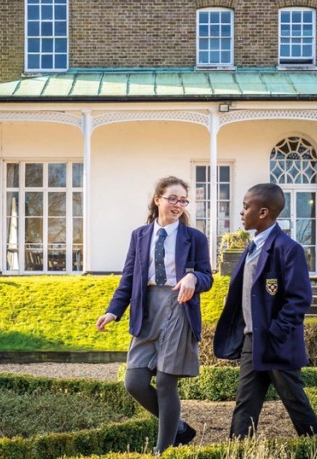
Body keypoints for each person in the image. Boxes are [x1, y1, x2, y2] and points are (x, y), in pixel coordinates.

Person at [95, 176, 213, 454]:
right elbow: (129, 278)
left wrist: (193, 278)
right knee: (134, 382)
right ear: (157, 199)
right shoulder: (140, 235)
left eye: (183, 200)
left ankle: (162, 451)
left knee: (164, 380)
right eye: (172, 198)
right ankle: (180, 429)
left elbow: (208, 277)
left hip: (178, 307)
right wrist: (113, 311)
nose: (178, 205)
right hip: (146, 309)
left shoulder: (195, 237)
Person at [213, 183, 317, 439]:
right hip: (253, 340)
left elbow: (300, 299)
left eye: (245, 206)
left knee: (294, 401)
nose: (241, 212)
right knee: (245, 402)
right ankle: (237, 451)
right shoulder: (252, 247)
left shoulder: (288, 249)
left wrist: (275, 331)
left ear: (263, 213)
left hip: (276, 341)